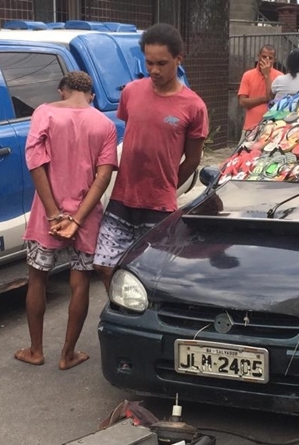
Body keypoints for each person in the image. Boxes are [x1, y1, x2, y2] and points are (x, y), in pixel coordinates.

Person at [15, 71, 118, 370]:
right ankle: (67, 354)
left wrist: (53, 214)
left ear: (62, 91)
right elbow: (103, 177)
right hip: (86, 217)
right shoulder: (105, 124)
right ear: (91, 95)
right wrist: (76, 219)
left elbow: (36, 163)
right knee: (80, 281)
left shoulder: (44, 113)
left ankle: (36, 350)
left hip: (47, 215)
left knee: (37, 277)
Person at [94, 23, 209, 291]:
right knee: (104, 264)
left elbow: (192, 159)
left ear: (178, 59)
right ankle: (125, 308)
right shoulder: (131, 92)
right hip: (122, 198)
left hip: (159, 206)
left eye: (162, 63)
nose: (154, 70)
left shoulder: (193, 106)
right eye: (149, 63)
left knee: (150, 277)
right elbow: (131, 137)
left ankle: (137, 321)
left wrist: (168, 184)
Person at [238, 44, 283, 143]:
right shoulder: (248, 75)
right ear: (258, 56)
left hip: (271, 128)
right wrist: (264, 99)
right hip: (250, 127)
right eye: (263, 57)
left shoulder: (280, 77)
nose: (266, 60)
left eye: (270, 58)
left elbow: (273, 101)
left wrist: (267, 75)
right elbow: (242, 102)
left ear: (274, 60)